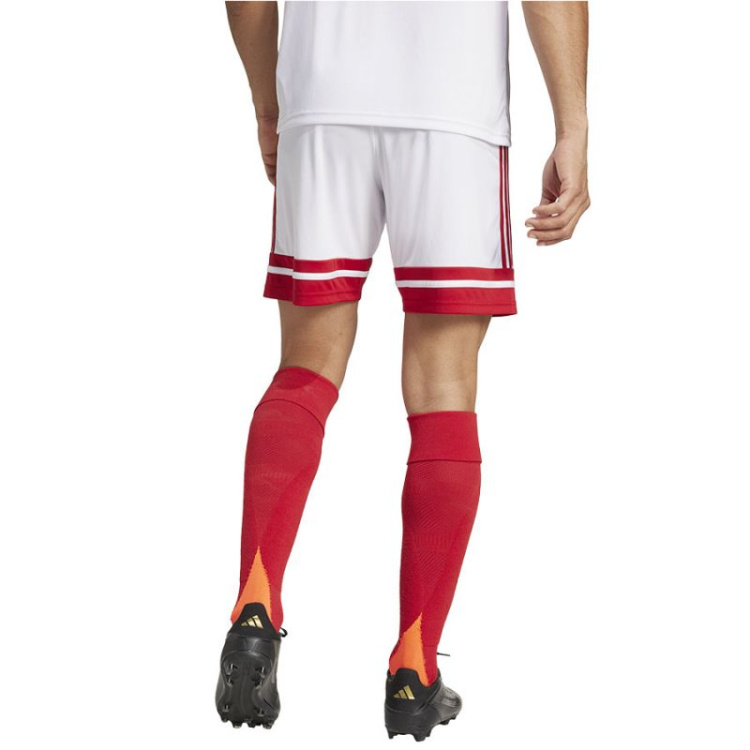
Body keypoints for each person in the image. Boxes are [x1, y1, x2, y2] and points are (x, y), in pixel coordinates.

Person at [216, 0, 589, 741]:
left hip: (322, 96)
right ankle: (413, 669)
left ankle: (255, 603)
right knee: (443, 388)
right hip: (452, 104)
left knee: (305, 366)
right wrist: (572, 125)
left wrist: (271, 101)